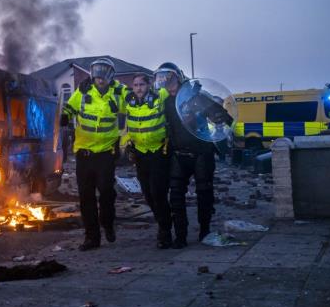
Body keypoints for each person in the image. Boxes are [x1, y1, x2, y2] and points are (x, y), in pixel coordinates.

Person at [61, 58, 127, 251]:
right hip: (84, 153)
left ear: (111, 75)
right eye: (97, 73)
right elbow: (69, 109)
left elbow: (135, 104)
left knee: (107, 192)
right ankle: (92, 237)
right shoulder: (82, 92)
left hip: (106, 152)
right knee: (86, 197)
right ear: (92, 74)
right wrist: (64, 116)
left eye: (104, 73)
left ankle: (107, 222)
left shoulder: (119, 92)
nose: (100, 78)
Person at [155, 62, 216, 249]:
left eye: (170, 78)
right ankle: (180, 235)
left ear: (178, 78)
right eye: (163, 79)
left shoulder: (197, 97)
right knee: (175, 197)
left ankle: (205, 230)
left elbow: (222, 118)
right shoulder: (165, 103)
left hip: (201, 153)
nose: (167, 83)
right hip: (178, 153)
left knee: (204, 194)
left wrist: (213, 112)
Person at [123, 72, 172, 248]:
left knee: (158, 193)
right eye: (135, 85)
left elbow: (172, 86)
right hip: (140, 154)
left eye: (141, 85)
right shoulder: (130, 102)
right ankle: (163, 220)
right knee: (148, 194)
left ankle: (165, 232)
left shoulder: (160, 96)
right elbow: (130, 127)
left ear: (149, 85)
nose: (138, 89)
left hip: (158, 152)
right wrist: (128, 144)